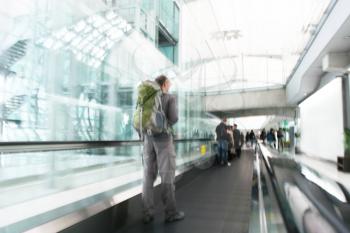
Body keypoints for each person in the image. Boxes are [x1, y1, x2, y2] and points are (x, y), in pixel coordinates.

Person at [142, 75, 184, 224]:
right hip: (164, 140)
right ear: (165, 84)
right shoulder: (169, 98)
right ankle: (170, 213)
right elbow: (173, 118)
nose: (170, 86)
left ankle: (148, 213)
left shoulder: (146, 99)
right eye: (169, 84)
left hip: (148, 140)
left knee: (148, 176)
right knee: (167, 175)